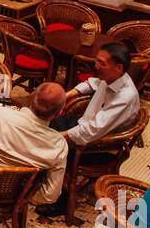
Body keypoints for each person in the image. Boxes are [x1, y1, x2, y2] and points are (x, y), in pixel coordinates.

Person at [36, 42, 141, 216]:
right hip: (84, 125)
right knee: (47, 124)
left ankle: (60, 200)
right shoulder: (113, 77)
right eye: (96, 61)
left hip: (100, 146)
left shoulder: (125, 97)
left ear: (118, 67)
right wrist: (67, 95)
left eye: (101, 63)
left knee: (55, 143)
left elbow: (92, 131)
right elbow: (92, 83)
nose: (96, 66)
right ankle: (39, 175)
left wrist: (61, 137)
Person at [0, 81, 71, 206]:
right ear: (59, 113)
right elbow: (50, 195)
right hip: (12, 199)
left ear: (31, 97)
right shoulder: (59, 146)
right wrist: (23, 197)